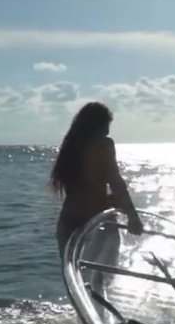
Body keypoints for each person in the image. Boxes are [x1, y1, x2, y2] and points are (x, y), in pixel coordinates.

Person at [50, 102, 144, 255]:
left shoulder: (70, 146)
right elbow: (115, 182)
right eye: (107, 125)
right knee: (102, 276)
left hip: (68, 222)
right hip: (97, 221)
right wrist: (133, 216)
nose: (107, 131)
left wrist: (111, 200)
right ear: (98, 125)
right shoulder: (104, 144)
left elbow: (81, 190)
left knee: (74, 272)